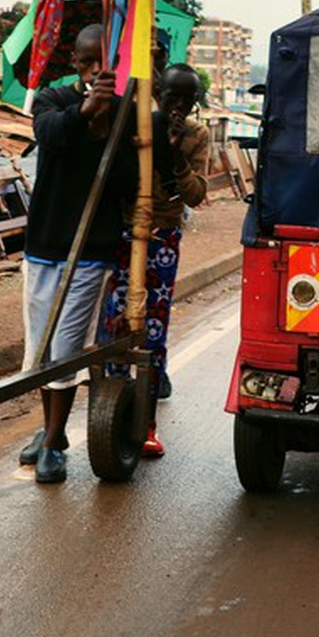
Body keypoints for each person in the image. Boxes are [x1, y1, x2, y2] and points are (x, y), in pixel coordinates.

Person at [18, 24, 132, 484]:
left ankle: (51, 441)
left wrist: (107, 127)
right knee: (40, 346)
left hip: (92, 248)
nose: (93, 71)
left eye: (101, 64)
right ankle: (52, 432)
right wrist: (85, 113)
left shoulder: (126, 114)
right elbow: (50, 135)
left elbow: (129, 180)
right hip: (45, 244)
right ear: (76, 65)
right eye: (86, 63)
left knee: (66, 346)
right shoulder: (53, 100)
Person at [98, 63, 211, 456]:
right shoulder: (140, 125)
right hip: (126, 232)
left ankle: (145, 423)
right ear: (160, 92)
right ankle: (111, 412)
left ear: (194, 103)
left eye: (186, 99)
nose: (177, 105)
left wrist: (175, 156)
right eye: (171, 96)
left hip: (163, 237)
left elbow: (195, 195)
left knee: (153, 328)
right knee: (114, 324)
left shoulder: (197, 136)